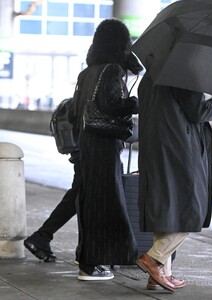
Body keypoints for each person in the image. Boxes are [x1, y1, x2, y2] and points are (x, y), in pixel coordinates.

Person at [136, 71, 212, 292]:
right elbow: (198, 111)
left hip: (154, 149)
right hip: (180, 151)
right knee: (191, 210)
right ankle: (153, 259)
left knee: (167, 211)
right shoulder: (185, 74)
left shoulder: (150, 76)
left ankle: (160, 276)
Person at [73, 18, 143, 281]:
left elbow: (74, 112)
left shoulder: (87, 72)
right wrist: (134, 103)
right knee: (107, 204)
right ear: (121, 44)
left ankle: (89, 260)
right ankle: (93, 264)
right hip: (103, 146)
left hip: (85, 145)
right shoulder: (112, 70)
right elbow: (113, 105)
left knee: (91, 203)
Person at [24, 150, 80, 262]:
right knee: (81, 196)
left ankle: (42, 237)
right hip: (91, 152)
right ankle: (87, 254)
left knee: (77, 196)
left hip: (83, 151)